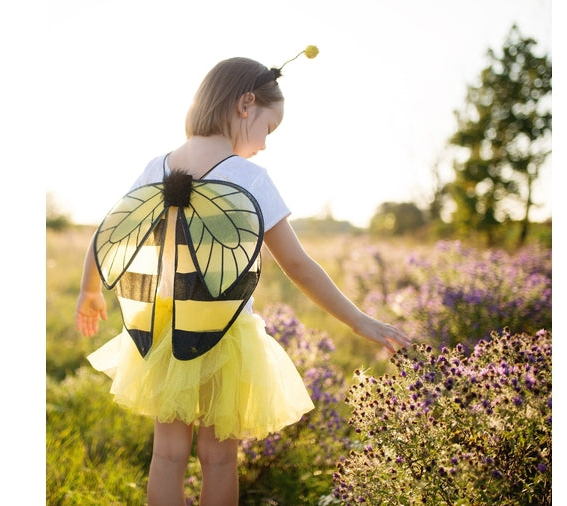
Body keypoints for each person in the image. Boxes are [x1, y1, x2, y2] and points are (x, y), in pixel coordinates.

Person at [75, 48, 410, 506]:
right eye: (268, 129)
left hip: (162, 328)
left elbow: (110, 232)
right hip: (223, 334)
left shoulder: (158, 166)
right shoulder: (248, 178)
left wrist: (89, 290)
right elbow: (298, 264)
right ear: (245, 104)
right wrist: (358, 321)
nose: (267, 143)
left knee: (168, 454)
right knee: (219, 457)